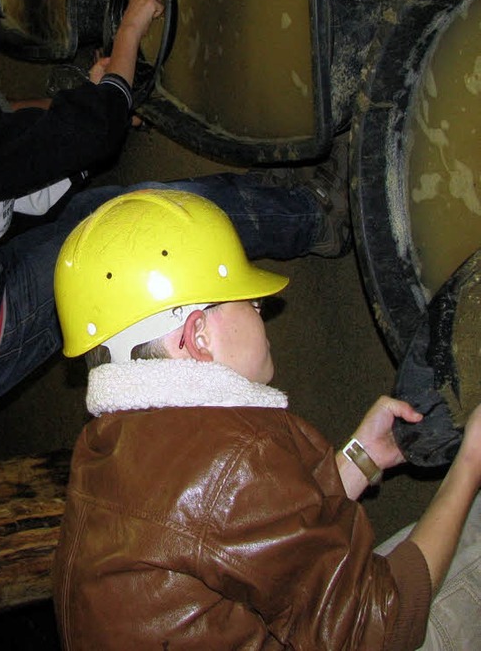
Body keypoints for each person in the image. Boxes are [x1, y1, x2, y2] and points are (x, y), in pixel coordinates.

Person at [0, 0, 348, 418]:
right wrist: (128, 36)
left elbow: (28, 178)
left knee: (93, 209)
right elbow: (87, 134)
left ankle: (275, 206)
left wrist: (99, 105)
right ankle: (316, 214)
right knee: (148, 223)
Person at [52, 188, 481, 650]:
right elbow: (382, 624)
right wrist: (470, 463)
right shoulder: (235, 460)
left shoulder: (106, 449)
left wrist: (361, 456)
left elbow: (246, 536)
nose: (262, 310)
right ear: (199, 336)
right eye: (250, 301)